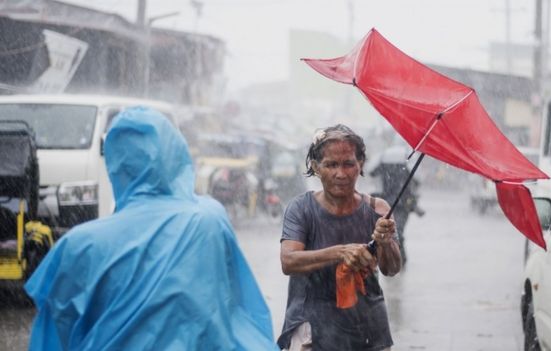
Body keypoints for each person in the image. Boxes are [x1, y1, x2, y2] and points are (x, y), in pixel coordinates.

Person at [25, 107, 277, 351]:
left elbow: (52, 338)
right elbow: (245, 311)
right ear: (176, 155)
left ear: (114, 165)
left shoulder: (79, 246)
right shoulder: (208, 221)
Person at [278, 124, 402, 351]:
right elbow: (289, 261)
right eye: (331, 165)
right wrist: (340, 252)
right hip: (312, 326)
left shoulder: (378, 209)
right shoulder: (301, 209)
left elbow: (392, 269)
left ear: (360, 165)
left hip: (367, 327)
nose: (340, 173)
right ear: (316, 167)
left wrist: (385, 244)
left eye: (348, 164)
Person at [370, 153, 425, 265]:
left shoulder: (404, 164)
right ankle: (398, 259)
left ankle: (400, 259)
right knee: (394, 231)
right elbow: (372, 173)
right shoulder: (390, 163)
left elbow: (372, 173)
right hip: (392, 204)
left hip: (400, 204)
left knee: (397, 231)